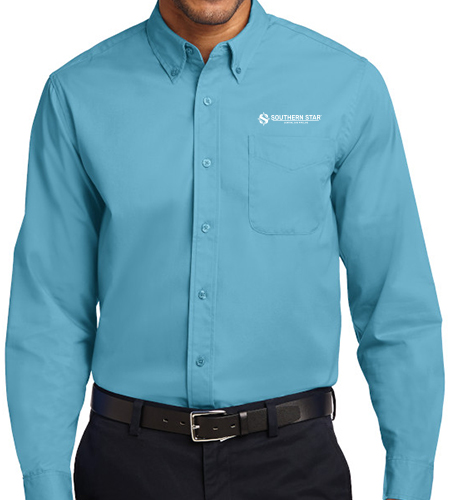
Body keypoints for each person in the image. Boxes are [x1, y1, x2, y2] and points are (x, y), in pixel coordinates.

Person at [4, 1, 445, 499]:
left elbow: (395, 305)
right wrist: (46, 485)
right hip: (128, 466)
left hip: (295, 467)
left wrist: (409, 485)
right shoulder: (76, 94)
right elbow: (50, 312)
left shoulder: (347, 86)